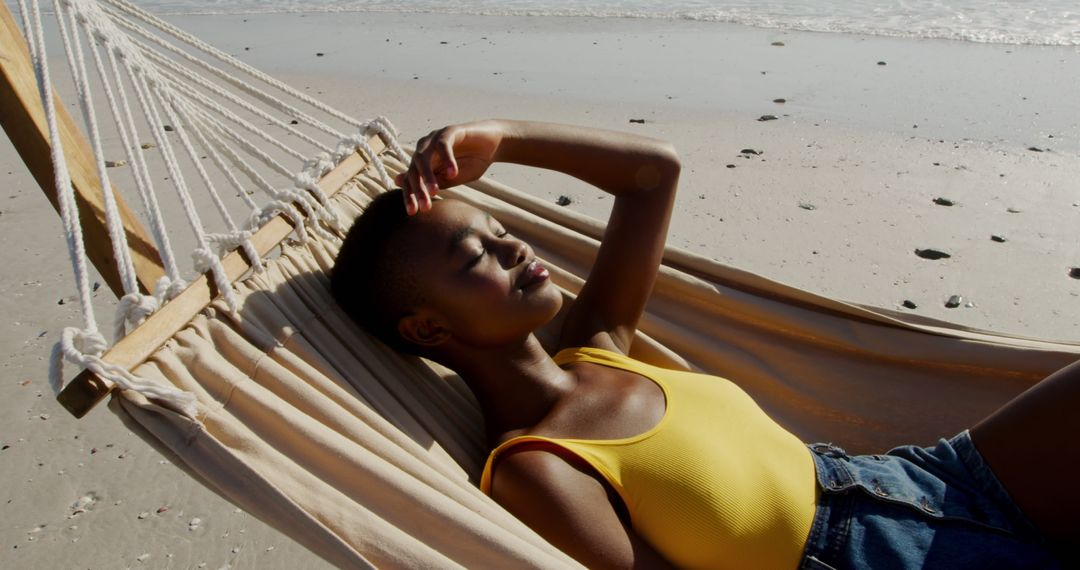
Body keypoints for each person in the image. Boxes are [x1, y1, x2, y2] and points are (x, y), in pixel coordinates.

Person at [331, 119, 1078, 569]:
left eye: (500, 232)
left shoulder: (595, 347)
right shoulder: (537, 466)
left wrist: (498, 138)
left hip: (919, 479)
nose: (515, 249)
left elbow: (654, 173)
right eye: (476, 259)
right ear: (429, 329)